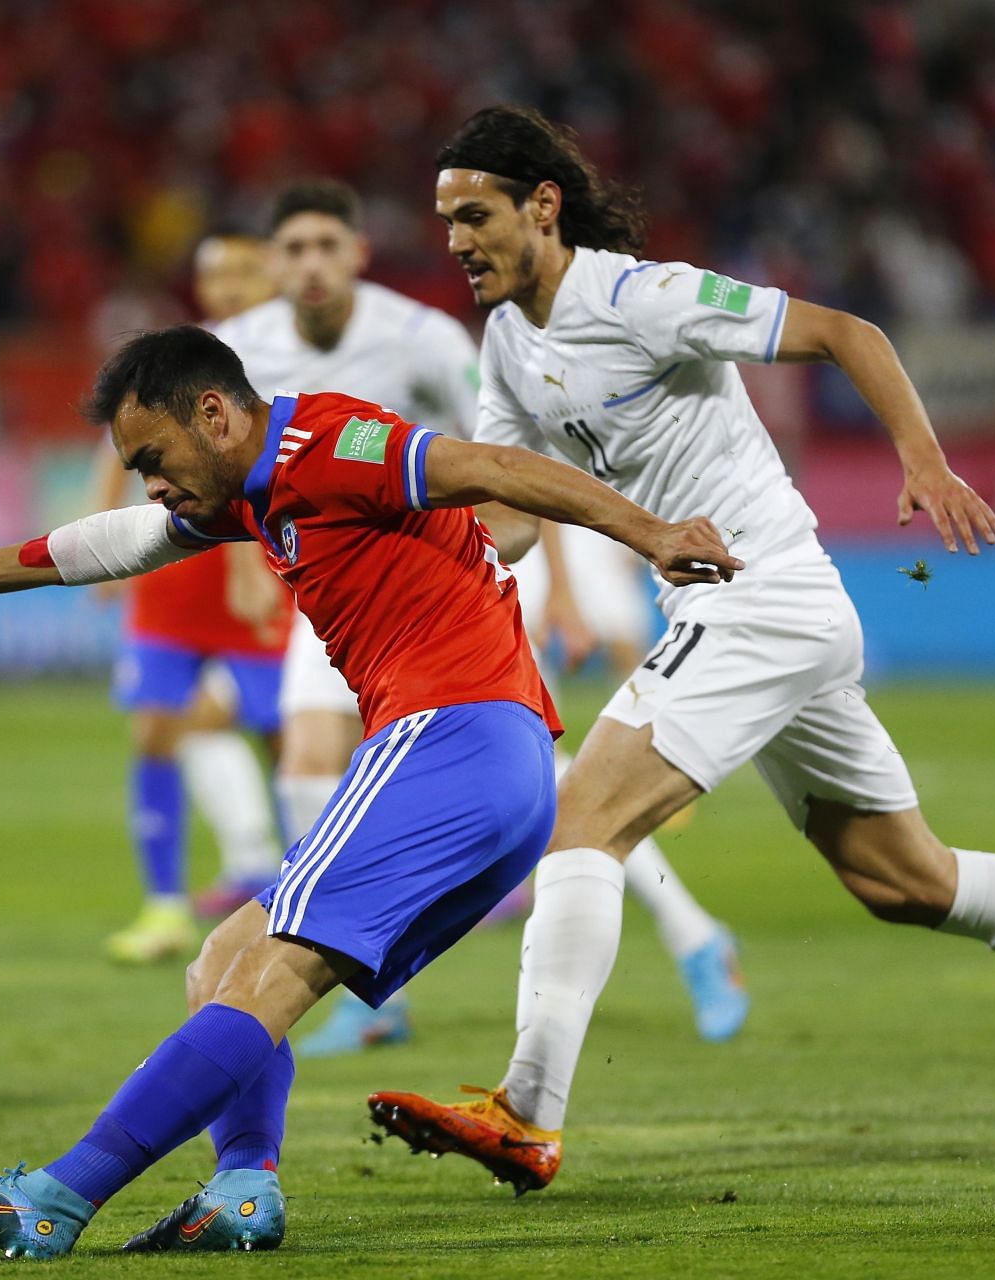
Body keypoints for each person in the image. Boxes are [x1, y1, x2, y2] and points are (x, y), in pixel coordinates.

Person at [367, 105, 995, 1195]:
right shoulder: (508, 341)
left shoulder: (640, 296)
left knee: (582, 819)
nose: (454, 239)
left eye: (475, 215)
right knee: (905, 878)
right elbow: (511, 508)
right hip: (763, 615)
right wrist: (407, 544)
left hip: (761, 596)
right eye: (445, 219)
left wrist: (923, 463)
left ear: (542, 206)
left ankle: (527, 1109)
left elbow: (849, 333)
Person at [0, 325, 739, 1257]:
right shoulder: (254, 490)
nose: (150, 480)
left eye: (153, 457)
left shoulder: (328, 447)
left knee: (275, 977)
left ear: (214, 413)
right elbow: (121, 541)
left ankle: (57, 1195)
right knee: (224, 962)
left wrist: (652, 536)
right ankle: (243, 1186)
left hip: (450, 738)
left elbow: (493, 465)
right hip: (484, 760)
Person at [223, 177, 747, 1054]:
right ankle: (364, 982)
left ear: (357, 254)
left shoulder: (420, 339)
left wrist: (569, 587)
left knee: (551, 789)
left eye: (326, 246)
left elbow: (509, 458)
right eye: (292, 249)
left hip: (461, 573)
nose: (310, 265)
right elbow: (235, 470)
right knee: (308, 756)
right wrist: (247, 559)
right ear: (270, 264)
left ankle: (696, 936)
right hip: (350, 597)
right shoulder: (243, 351)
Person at [89, 232, 290, 965]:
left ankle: (301, 896)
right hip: (173, 576)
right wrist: (103, 549)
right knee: (153, 733)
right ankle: (164, 905)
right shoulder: (183, 361)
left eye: (242, 272)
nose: (228, 287)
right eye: (215, 276)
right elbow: (112, 449)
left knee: (285, 741)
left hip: (256, 568)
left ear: (270, 276)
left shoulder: (281, 363)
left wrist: (255, 560)